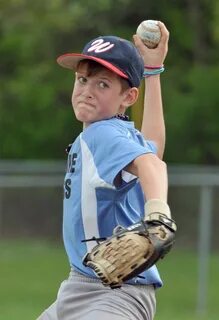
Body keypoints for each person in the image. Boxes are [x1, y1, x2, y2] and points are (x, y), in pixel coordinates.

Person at [37, 21, 172, 320]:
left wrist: (158, 213)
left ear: (128, 98)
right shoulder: (118, 134)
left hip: (113, 297)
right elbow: (154, 149)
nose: (86, 90)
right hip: (80, 287)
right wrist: (153, 72)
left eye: (102, 84)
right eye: (82, 79)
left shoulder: (102, 135)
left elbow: (152, 164)